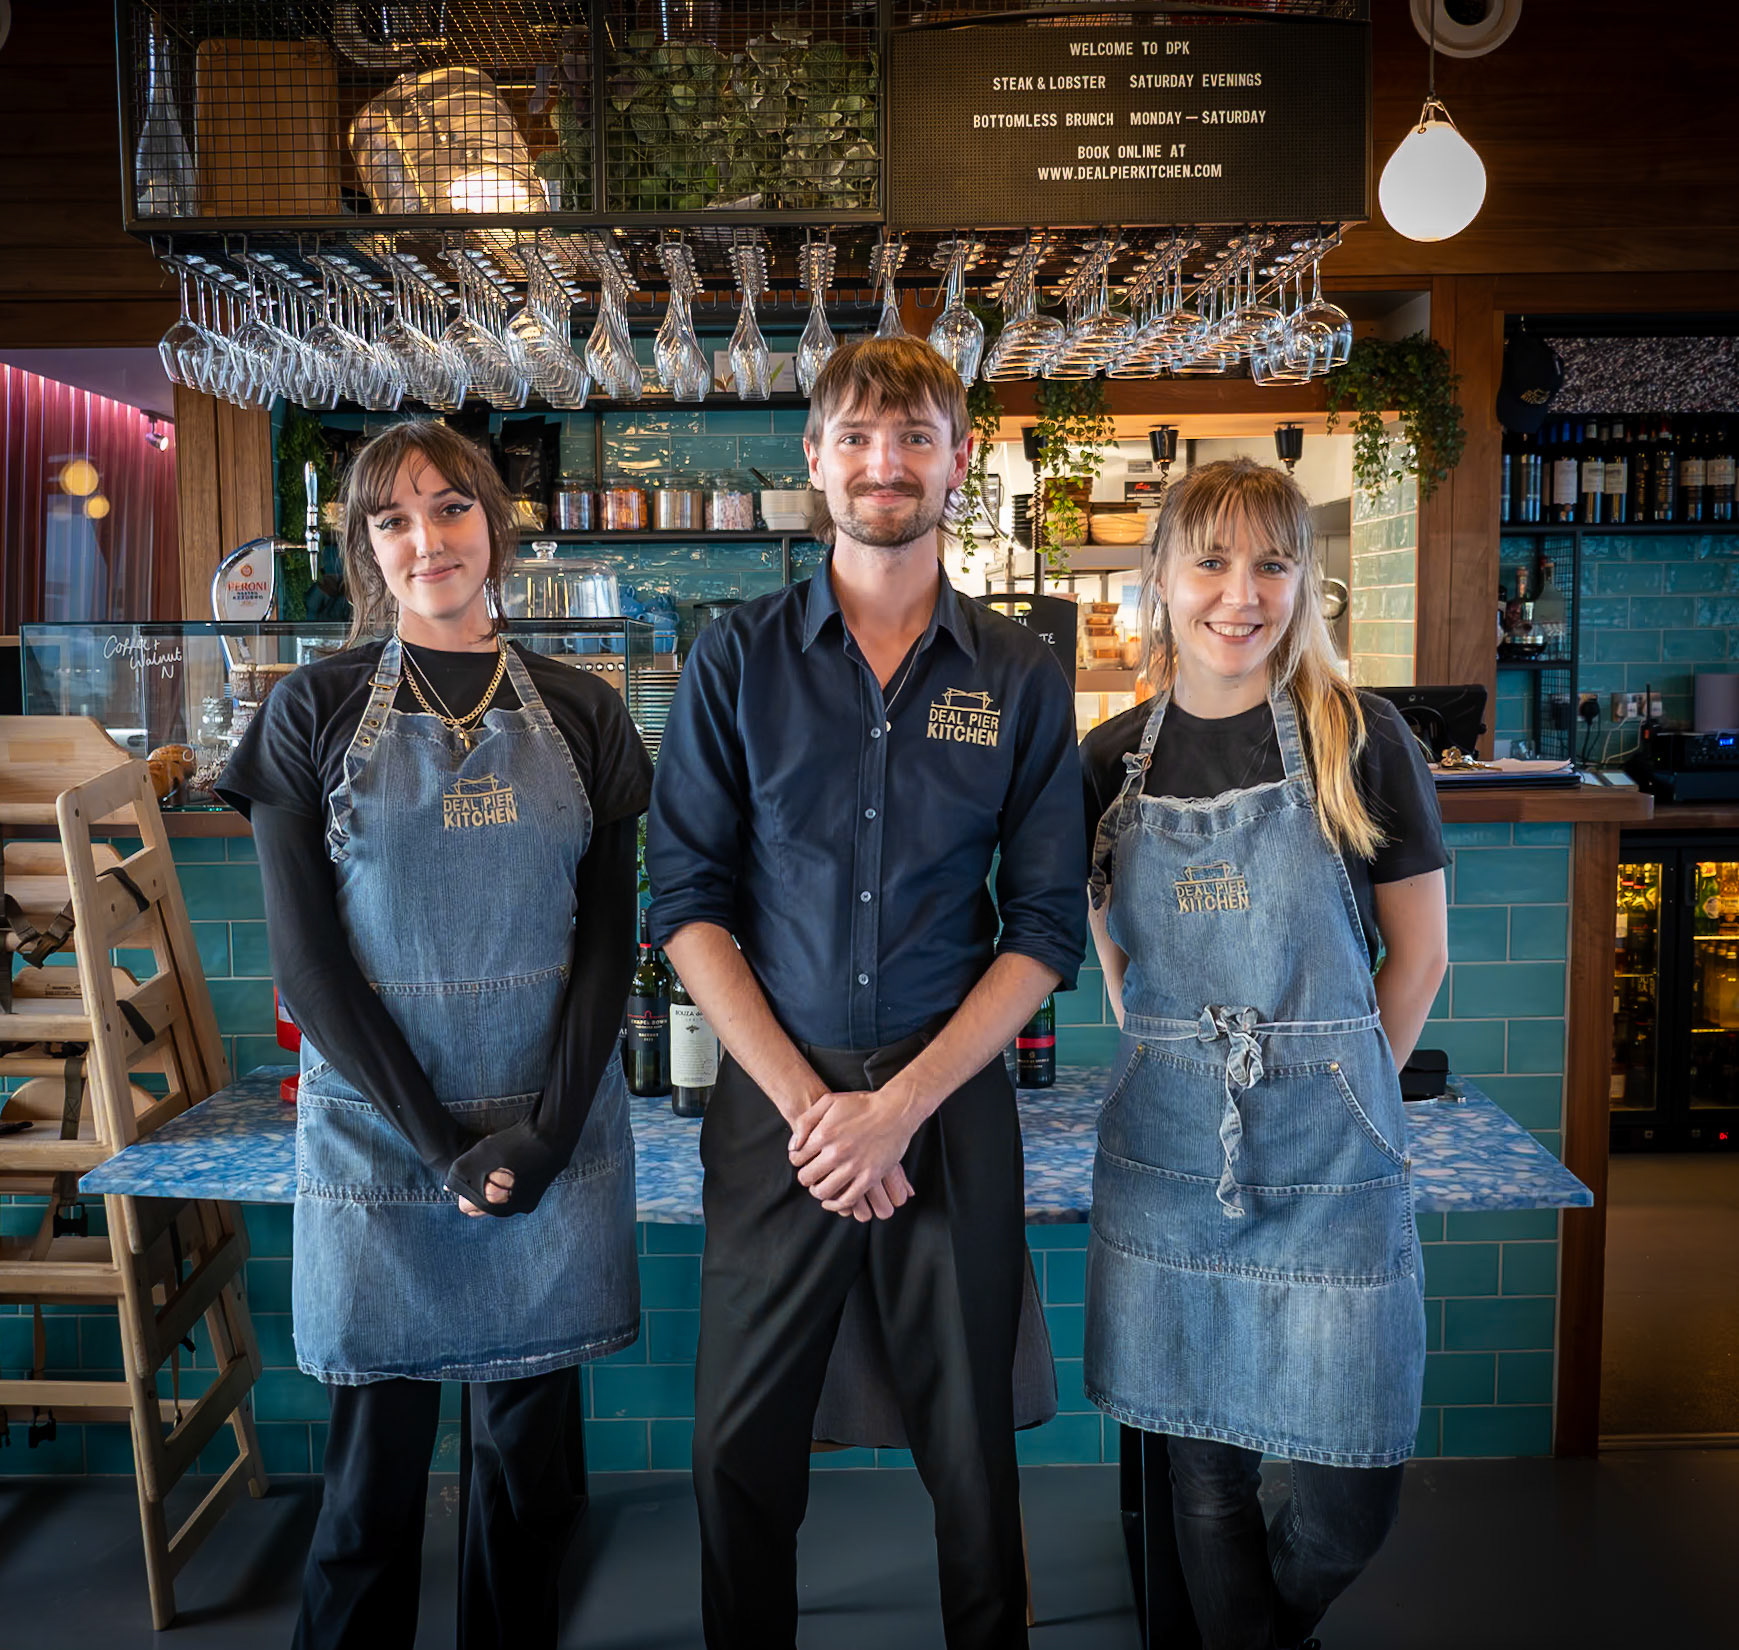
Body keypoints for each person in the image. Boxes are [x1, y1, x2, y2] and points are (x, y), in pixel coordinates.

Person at [647, 336, 1087, 1650]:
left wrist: (894, 1107)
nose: (880, 463)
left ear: (959, 461)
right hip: (772, 1115)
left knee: (969, 1459)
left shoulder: (1017, 671)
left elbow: (1046, 926)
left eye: (910, 439)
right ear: (812, 461)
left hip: (944, 1108)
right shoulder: (733, 660)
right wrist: (819, 1111)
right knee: (736, 1452)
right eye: (853, 436)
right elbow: (683, 903)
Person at [218, 421, 649, 1650]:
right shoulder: (309, 707)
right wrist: (439, 1146)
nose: (427, 540)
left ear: (494, 528)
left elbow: (609, 948)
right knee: (368, 1487)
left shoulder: (584, 708)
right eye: (393, 520)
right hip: (377, 1138)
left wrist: (547, 1136)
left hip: (546, 1130)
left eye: (451, 509)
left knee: (525, 1488)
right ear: (366, 548)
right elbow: (311, 968)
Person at [1079, 457, 1449, 1650]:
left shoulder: (1362, 739)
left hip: (1330, 1156)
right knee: (1204, 1475)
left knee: (1348, 1498)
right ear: (1159, 580)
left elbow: (1419, 959)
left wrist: (1339, 1083)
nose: (1239, 594)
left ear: (1303, 582)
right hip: (1176, 1153)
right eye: (1210, 562)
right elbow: (1118, 969)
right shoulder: (1107, 760)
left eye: (1270, 564)